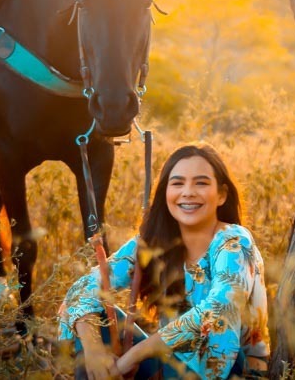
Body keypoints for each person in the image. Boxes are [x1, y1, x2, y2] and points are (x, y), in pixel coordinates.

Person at [59, 143, 270, 379]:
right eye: (178, 183)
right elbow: (82, 289)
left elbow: (218, 310)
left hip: (230, 369)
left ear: (221, 195)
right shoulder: (152, 242)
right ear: (165, 193)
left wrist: (132, 356)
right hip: (172, 365)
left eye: (201, 183)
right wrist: (93, 350)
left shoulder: (233, 240)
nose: (188, 192)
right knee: (92, 316)